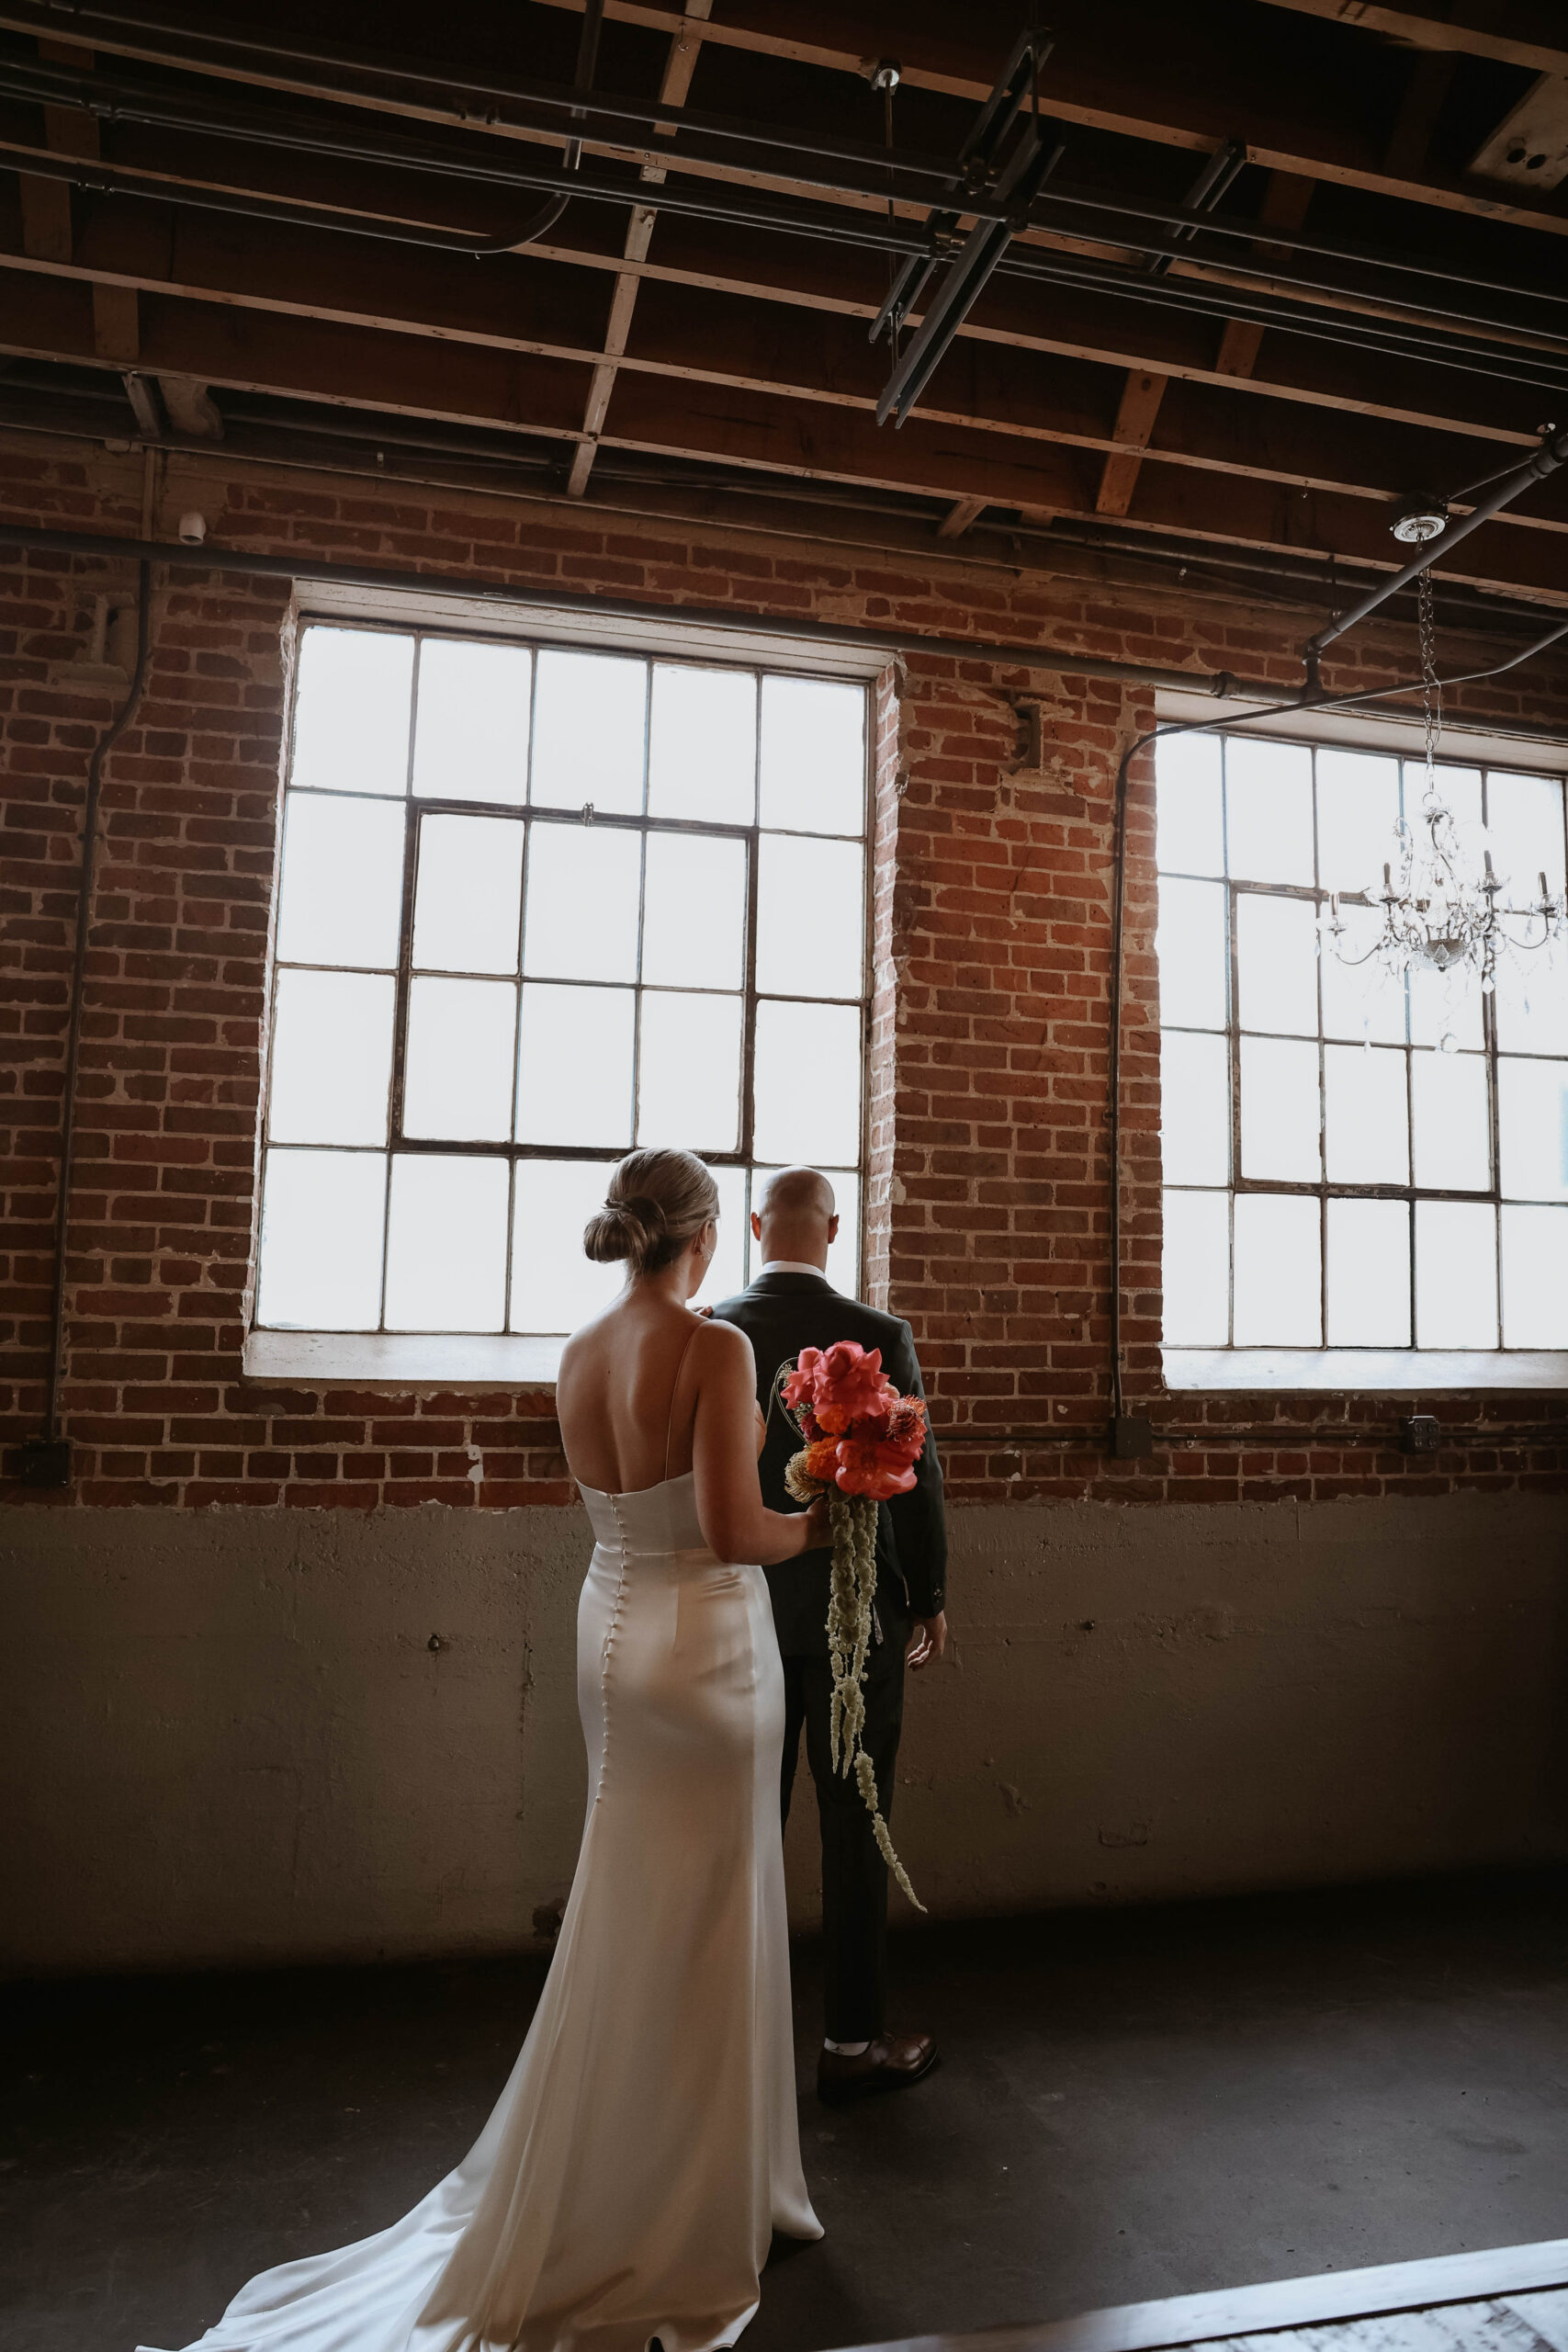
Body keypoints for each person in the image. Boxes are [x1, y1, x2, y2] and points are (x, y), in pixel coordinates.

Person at [141, 1148, 826, 2352]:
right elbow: (729, 1530)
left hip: (609, 1637)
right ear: (706, 1236)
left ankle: (635, 2166)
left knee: (633, 1900)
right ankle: (688, 2202)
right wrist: (828, 1514)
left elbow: (633, 1513)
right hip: (706, 1651)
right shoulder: (714, 1347)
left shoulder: (575, 1352)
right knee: (711, 1908)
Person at [712, 1167, 948, 2106]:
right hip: (859, 1619)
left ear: (758, 1224)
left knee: (741, 1827)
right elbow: (917, 1475)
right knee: (857, 1825)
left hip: (737, 1613)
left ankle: (734, 2047)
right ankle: (851, 2041)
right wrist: (927, 1593)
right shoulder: (881, 1337)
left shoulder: (714, 1332)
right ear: (836, 1229)